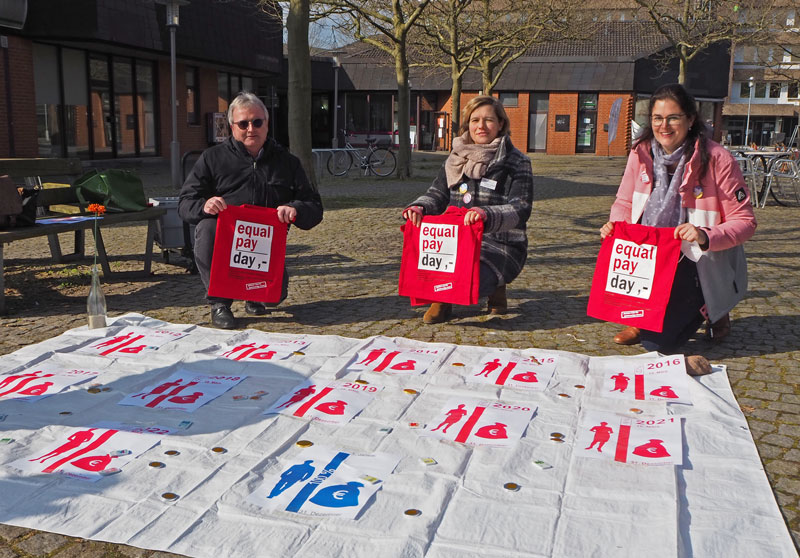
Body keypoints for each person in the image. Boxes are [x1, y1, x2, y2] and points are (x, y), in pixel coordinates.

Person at [600, 84, 756, 374]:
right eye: (658, 118)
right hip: (651, 255)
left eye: (673, 117)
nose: (664, 125)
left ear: (690, 119)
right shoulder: (640, 153)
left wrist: (705, 235)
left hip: (696, 259)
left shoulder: (717, 158)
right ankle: (641, 318)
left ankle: (715, 309)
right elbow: (624, 201)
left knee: (659, 343)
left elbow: (745, 221)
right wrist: (616, 228)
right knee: (651, 337)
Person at [179, 92, 323, 329]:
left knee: (275, 298)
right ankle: (219, 303)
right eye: (243, 123)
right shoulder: (212, 158)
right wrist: (204, 206)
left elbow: (314, 207)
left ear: (267, 124)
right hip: (224, 239)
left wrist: (295, 209)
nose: (250, 129)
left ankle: (255, 294)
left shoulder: (288, 162)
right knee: (206, 228)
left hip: (265, 247)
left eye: (257, 122)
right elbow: (185, 202)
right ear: (232, 126)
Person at [402, 96, 533, 324]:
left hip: (497, 243)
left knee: (473, 280)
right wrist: (419, 207)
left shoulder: (517, 161)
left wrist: (486, 215)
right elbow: (438, 194)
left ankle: (496, 287)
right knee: (428, 270)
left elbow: (521, 208)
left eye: (488, 120)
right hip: (457, 242)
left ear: (501, 123)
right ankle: (441, 300)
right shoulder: (454, 159)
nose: (480, 126)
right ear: (467, 124)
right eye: (475, 120)